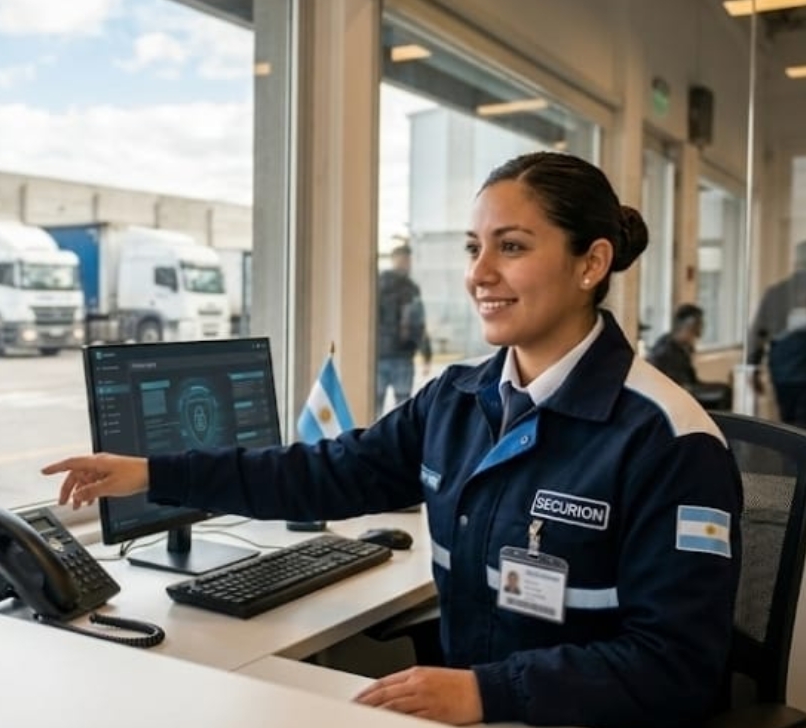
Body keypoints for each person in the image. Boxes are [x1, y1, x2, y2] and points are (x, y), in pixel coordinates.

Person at [42, 151, 742, 728]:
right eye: (474, 248)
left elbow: (677, 667)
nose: (479, 274)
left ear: (591, 264)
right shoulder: (456, 400)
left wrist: (487, 691)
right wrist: (153, 473)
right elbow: (321, 473)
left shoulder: (671, 442)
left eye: (512, 247)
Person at [747, 239, 806, 428]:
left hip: (783, 371)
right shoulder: (778, 293)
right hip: (789, 371)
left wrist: (753, 365)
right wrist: (752, 366)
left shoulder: (776, 293)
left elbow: (759, 332)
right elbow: (759, 331)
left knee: (790, 424)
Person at [376, 242, 432, 413]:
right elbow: (418, 323)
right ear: (393, 260)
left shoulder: (409, 288)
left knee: (398, 407)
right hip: (385, 355)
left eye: (407, 259)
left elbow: (419, 323)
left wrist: (426, 353)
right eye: (402, 259)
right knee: (388, 406)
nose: (405, 263)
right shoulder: (380, 285)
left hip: (399, 355)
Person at [647, 303, 732, 410]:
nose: (702, 327)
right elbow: (676, 385)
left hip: (684, 389)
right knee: (724, 393)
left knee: (724, 389)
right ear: (691, 325)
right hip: (674, 395)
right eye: (700, 323)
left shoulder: (681, 346)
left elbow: (691, 380)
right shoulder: (665, 350)